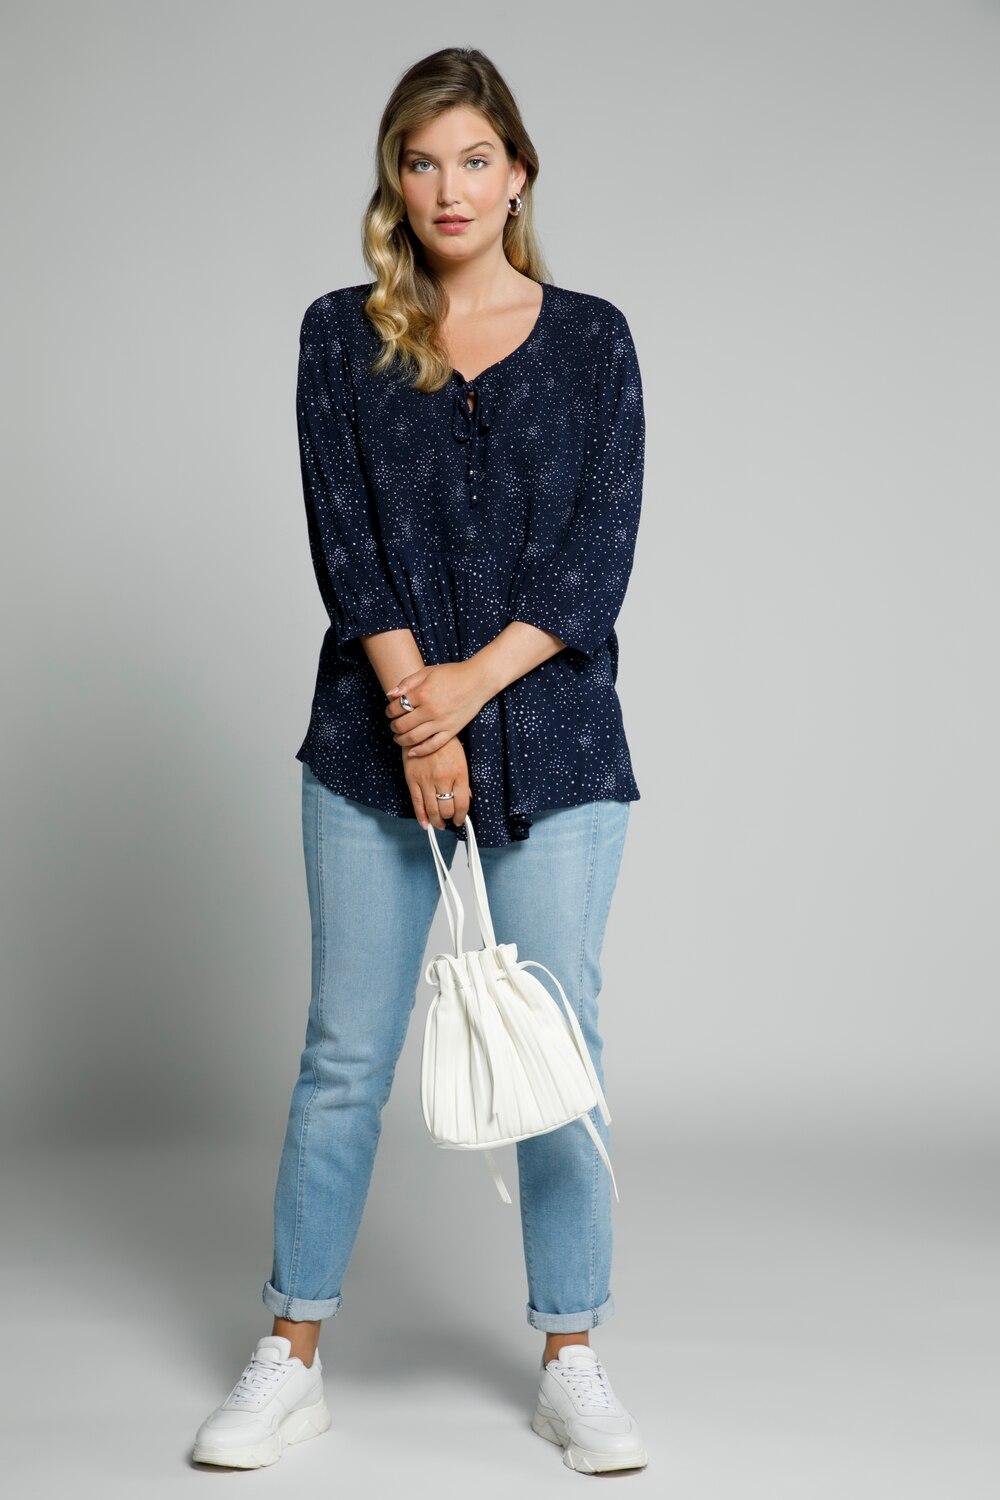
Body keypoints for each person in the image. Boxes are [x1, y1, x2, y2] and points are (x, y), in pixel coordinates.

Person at [192, 45, 649, 1475]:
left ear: (518, 175)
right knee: (343, 1057)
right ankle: (291, 1354)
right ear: (394, 181)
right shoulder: (343, 335)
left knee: (558, 1057)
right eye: (418, 160)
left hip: (555, 745)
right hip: (367, 741)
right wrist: (416, 711)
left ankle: (572, 1359)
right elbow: (346, 543)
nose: (447, 187)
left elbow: (596, 561)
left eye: (472, 158)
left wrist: (466, 696)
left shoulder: (594, 340)